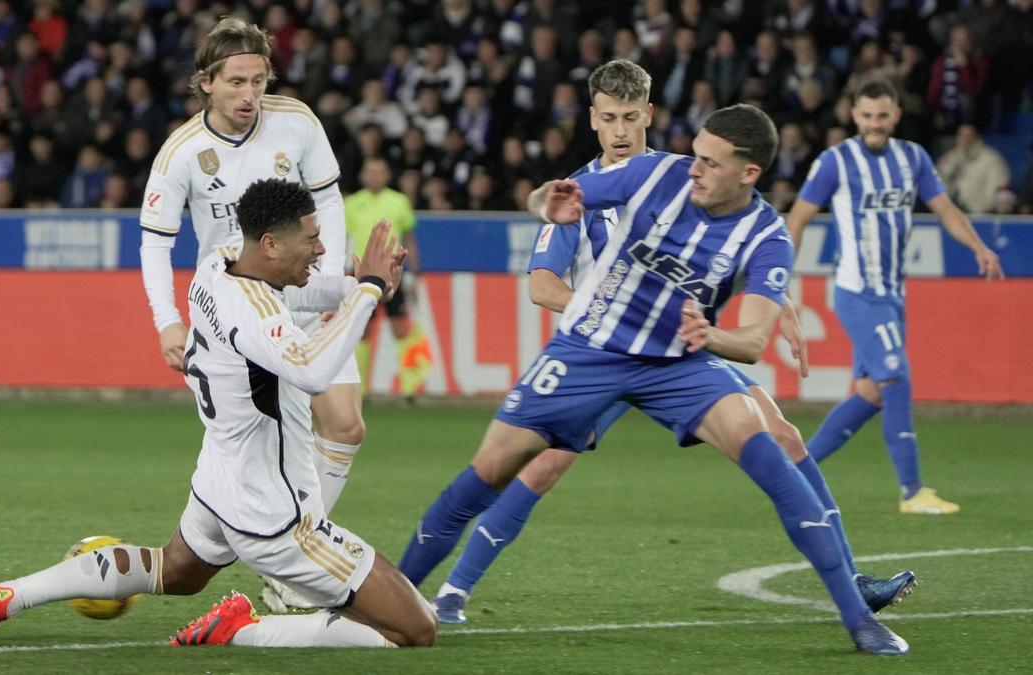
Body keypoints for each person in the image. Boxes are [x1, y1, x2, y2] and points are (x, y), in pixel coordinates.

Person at [397, 103, 910, 655]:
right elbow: (551, 198)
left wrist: (711, 337)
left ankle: (859, 619)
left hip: (677, 362)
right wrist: (544, 203)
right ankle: (397, 596)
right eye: (696, 155)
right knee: (490, 471)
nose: (695, 169)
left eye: (711, 163)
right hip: (590, 348)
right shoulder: (653, 174)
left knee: (768, 446)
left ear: (749, 173)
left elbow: (754, 343)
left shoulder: (767, 237)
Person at [0, 179, 436, 649]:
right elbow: (311, 371)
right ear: (269, 244)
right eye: (311, 240)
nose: (320, 249)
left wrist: (350, 284)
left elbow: (293, 292)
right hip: (274, 516)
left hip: (218, 480)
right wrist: (367, 288)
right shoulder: (255, 313)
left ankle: (10, 596)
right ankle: (243, 629)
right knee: (416, 627)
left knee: (172, 570)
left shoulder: (217, 265)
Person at [136, 18, 367, 608]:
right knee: (262, 453)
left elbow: (329, 198)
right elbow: (155, 241)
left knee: (345, 425)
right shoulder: (182, 152)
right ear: (206, 83)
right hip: (239, 315)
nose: (249, 95)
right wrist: (166, 319)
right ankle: (278, 553)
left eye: (259, 81)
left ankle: (295, 562)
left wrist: (331, 278)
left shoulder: (297, 122)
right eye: (236, 82)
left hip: (305, 294)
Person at [787, 80, 1004, 514]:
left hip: (892, 293)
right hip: (857, 290)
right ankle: (912, 492)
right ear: (854, 115)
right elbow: (797, 219)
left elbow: (945, 209)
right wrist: (780, 280)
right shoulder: (835, 161)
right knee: (897, 379)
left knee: (871, 393)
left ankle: (794, 469)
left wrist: (979, 247)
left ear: (895, 115)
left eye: (882, 116)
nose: (874, 124)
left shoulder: (913, 158)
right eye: (866, 116)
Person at [343, 156, 432, 398]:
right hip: (360, 273)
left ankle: (409, 389)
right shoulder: (351, 203)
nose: (373, 176)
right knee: (360, 329)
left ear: (386, 175)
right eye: (369, 171)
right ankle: (360, 389)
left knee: (400, 327)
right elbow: (343, 240)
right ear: (363, 175)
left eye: (378, 171)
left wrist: (415, 272)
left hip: (393, 271)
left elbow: (410, 239)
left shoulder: (399, 201)